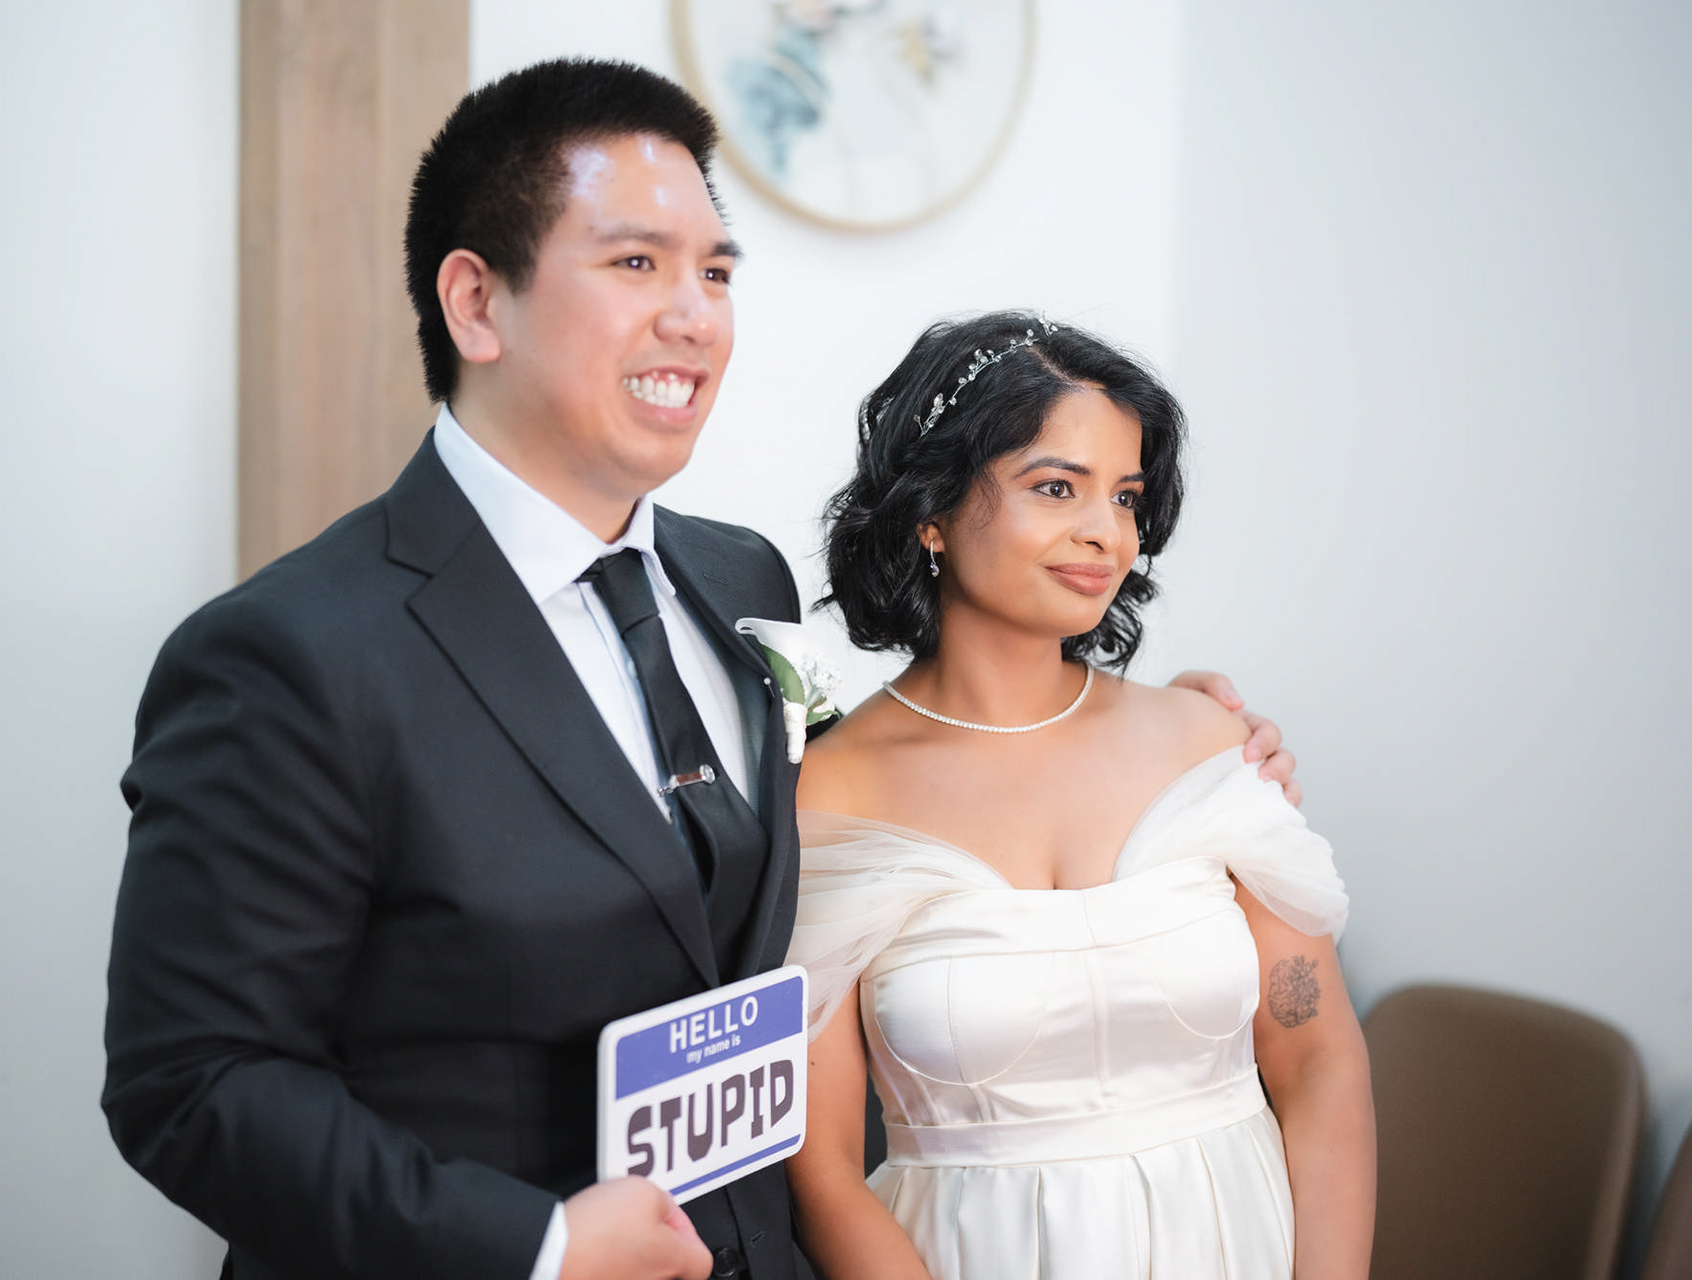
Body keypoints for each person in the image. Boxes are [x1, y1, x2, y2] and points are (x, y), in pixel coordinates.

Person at [102, 59, 1301, 1280]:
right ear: (476, 303)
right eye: (637, 262)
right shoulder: (291, 652)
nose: (695, 315)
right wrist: (541, 1244)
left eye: (716, 273)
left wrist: (1163, 746)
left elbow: (851, 817)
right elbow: (191, 1082)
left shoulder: (739, 583)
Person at [784, 313, 1375, 1279]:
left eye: (1126, 497)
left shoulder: (1209, 744)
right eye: (1056, 487)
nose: (1107, 533)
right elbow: (821, 1171)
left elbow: (1316, 1058)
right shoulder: (828, 794)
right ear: (931, 512)